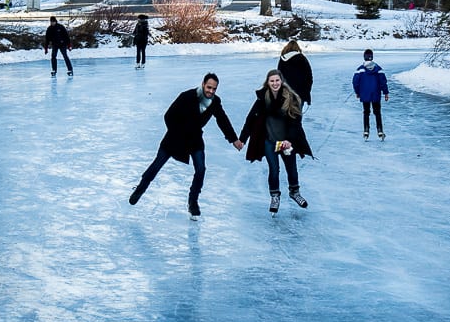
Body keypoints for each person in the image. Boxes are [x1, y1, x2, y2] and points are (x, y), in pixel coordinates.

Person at [129, 73, 244, 219]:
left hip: (195, 140)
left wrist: (234, 139)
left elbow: (222, 119)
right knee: (156, 166)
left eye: (214, 89)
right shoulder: (187, 96)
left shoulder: (215, 101)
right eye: (209, 87)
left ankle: (193, 201)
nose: (211, 91)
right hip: (174, 138)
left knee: (201, 169)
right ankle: (140, 189)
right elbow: (168, 116)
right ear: (203, 84)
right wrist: (179, 132)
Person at [239, 69, 313, 214]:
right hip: (269, 141)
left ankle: (294, 192)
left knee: (291, 169)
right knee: (274, 170)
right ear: (268, 82)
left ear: (281, 81)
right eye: (272, 81)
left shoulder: (290, 98)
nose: (274, 83)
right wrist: (242, 139)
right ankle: (274, 196)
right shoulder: (262, 100)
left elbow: (296, 123)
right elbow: (251, 119)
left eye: (277, 80)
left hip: (286, 142)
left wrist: (290, 140)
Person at [352, 49, 389, 141]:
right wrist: (385, 92)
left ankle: (366, 131)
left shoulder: (360, 69)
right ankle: (380, 131)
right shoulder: (378, 69)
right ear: (372, 57)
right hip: (376, 93)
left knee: (366, 112)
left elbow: (355, 82)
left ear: (364, 57)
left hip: (364, 94)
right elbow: (383, 82)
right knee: (377, 113)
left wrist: (357, 92)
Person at [277, 40, 313, 108]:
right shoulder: (302, 58)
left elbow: (278, 76)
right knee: (297, 114)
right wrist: (306, 92)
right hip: (300, 92)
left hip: (285, 92)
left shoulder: (282, 59)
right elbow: (309, 77)